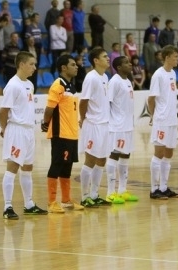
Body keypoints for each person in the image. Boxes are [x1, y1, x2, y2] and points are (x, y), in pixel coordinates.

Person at [0, 51, 48, 220]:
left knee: (27, 168)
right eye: (32, 64)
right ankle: (7, 207)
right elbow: (3, 110)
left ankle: (29, 204)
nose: (35, 68)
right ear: (21, 64)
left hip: (28, 130)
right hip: (16, 130)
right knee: (12, 168)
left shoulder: (29, 84)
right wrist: (5, 129)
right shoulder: (13, 85)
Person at [42, 54, 84, 213]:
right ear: (64, 68)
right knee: (57, 165)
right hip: (61, 133)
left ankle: (66, 200)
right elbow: (49, 109)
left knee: (67, 167)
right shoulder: (57, 85)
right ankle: (52, 201)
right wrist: (46, 124)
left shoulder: (71, 86)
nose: (77, 66)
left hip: (72, 133)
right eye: (73, 64)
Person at [78, 47, 111, 208]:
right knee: (90, 159)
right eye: (104, 56)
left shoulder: (105, 77)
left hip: (104, 124)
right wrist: (83, 119)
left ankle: (95, 194)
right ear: (96, 61)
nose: (108, 58)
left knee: (102, 159)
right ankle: (84, 197)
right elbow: (83, 102)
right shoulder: (91, 78)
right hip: (93, 124)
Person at [147, 45, 178, 200]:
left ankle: (164, 187)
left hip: (172, 120)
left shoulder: (173, 73)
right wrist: (153, 116)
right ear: (167, 57)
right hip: (161, 120)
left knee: (169, 153)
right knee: (159, 153)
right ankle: (154, 189)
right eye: (175, 56)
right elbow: (151, 98)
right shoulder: (158, 75)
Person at [105, 56, 139, 204]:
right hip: (117, 126)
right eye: (126, 62)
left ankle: (122, 190)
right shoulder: (114, 82)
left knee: (126, 155)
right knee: (114, 154)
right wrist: (109, 123)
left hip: (128, 125)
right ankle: (110, 192)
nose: (130, 64)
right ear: (118, 67)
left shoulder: (127, 81)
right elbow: (107, 103)